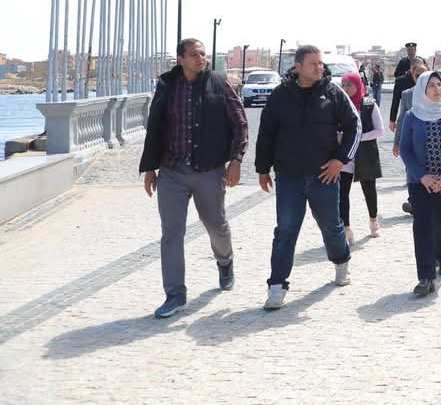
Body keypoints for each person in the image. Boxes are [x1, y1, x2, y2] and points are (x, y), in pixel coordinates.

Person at [139, 38, 248, 319]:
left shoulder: (218, 83)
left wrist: (236, 160)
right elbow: (155, 126)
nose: (201, 59)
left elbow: (240, 122)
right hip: (172, 171)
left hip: (209, 170)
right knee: (171, 233)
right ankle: (175, 294)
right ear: (181, 59)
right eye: (194, 55)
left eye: (203, 54)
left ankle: (225, 261)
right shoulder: (167, 85)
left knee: (216, 225)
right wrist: (150, 168)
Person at [255, 45, 359, 310]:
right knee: (285, 230)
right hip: (288, 176)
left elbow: (354, 126)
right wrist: (262, 168)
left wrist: (340, 160)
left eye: (320, 63)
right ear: (298, 66)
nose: (319, 67)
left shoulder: (333, 93)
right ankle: (277, 286)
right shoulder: (280, 95)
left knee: (331, 226)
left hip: (324, 175)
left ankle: (341, 262)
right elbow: (266, 133)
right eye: (313, 63)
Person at [399, 71, 441, 296]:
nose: (437, 89)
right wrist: (422, 176)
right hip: (419, 182)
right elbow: (405, 149)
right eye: (432, 85)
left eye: (439, 85)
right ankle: (426, 276)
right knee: (423, 225)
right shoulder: (412, 116)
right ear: (422, 89)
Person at [339, 71, 385, 244]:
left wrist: (358, 137)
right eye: (344, 85)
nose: (346, 88)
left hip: (365, 154)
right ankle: (346, 228)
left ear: (358, 85)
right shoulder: (340, 105)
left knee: (369, 189)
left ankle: (373, 221)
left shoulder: (369, 104)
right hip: (345, 156)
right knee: (342, 193)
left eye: (349, 84)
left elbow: (379, 130)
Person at [393, 61, 430, 214]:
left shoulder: (438, 92)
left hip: (434, 143)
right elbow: (401, 120)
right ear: (414, 77)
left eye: (424, 74)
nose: (421, 78)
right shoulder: (407, 95)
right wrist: (397, 142)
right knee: (412, 173)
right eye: (417, 75)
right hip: (414, 143)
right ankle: (414, 202)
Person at [389, 57, 426, 132]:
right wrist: (392, 120)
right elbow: (395, 101)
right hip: (407, 118)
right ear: (411, 68)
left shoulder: (427, 80)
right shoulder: (401, 81)